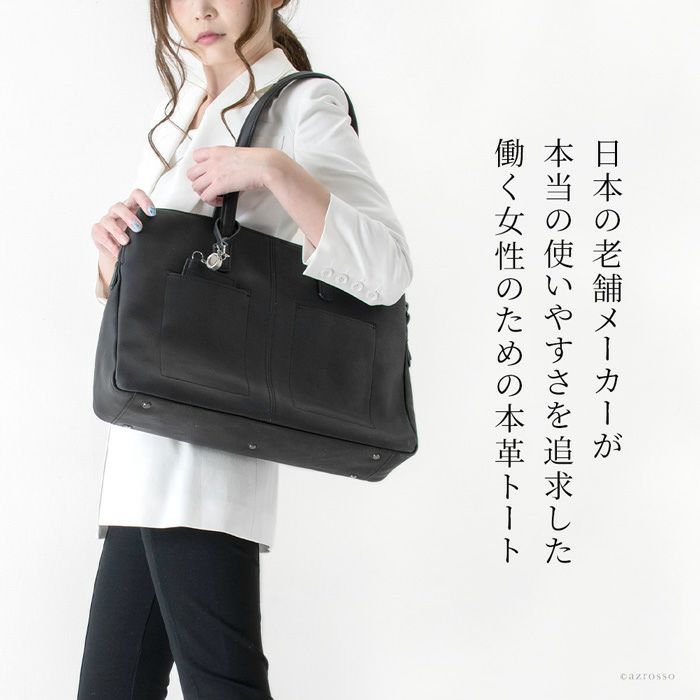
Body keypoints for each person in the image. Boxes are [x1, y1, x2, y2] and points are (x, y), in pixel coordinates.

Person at [79, 0, 413, 697]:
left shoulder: (302, 105)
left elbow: (386, 266)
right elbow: (158, 297)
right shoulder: (178, 114)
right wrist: (114, 256)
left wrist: (273, 171)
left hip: (207, 461)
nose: (199, 9)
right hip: (141, 459)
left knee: (223, 686)